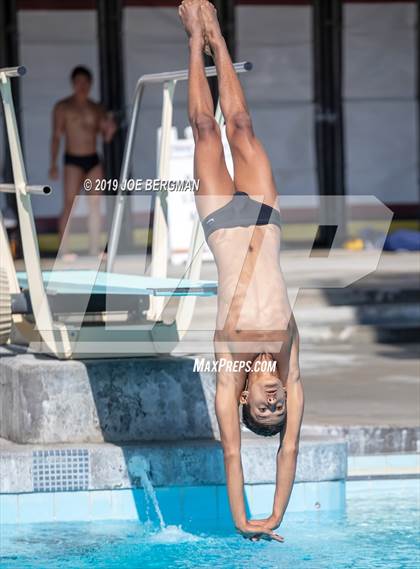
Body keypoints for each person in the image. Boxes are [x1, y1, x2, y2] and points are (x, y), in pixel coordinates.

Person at [178, 0, 304, 543]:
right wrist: (275, 514)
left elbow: (233, 454)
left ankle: (192, 37)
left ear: (247, 399)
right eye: (280, 410)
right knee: (243, 127)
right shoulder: (288, 364)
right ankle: (218, 38)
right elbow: (290, 449)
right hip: (265, 215)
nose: (275, 405)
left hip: (223, 223)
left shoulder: (229, 369)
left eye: (265, 410)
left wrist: (241, 520)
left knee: (207, 131)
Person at [49, 66, 117, 259]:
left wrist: (110, 129)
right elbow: (56, 136)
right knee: (69, 202)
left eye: (85, 82)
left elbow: (106, 137)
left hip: (93, 159)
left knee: (95, 204)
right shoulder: (63, 107)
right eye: (78, 82)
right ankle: (64, 249)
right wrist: (53, 164)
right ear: (73, 83)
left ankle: (95, 248)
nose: (82, 86)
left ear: (90, 84)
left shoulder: (96, 108)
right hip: (73, 160)